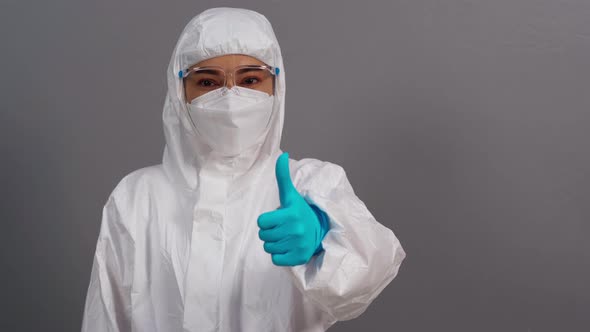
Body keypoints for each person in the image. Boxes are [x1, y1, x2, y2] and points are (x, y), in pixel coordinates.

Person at [81, 7, 406, 332]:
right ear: (179, 91)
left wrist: (323, 235)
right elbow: (105, 318)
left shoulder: (310, 184)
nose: (231, 98)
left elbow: (369, 271)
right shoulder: (136, 197)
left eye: (250, 80)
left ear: (275, 86)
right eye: (208, 82)